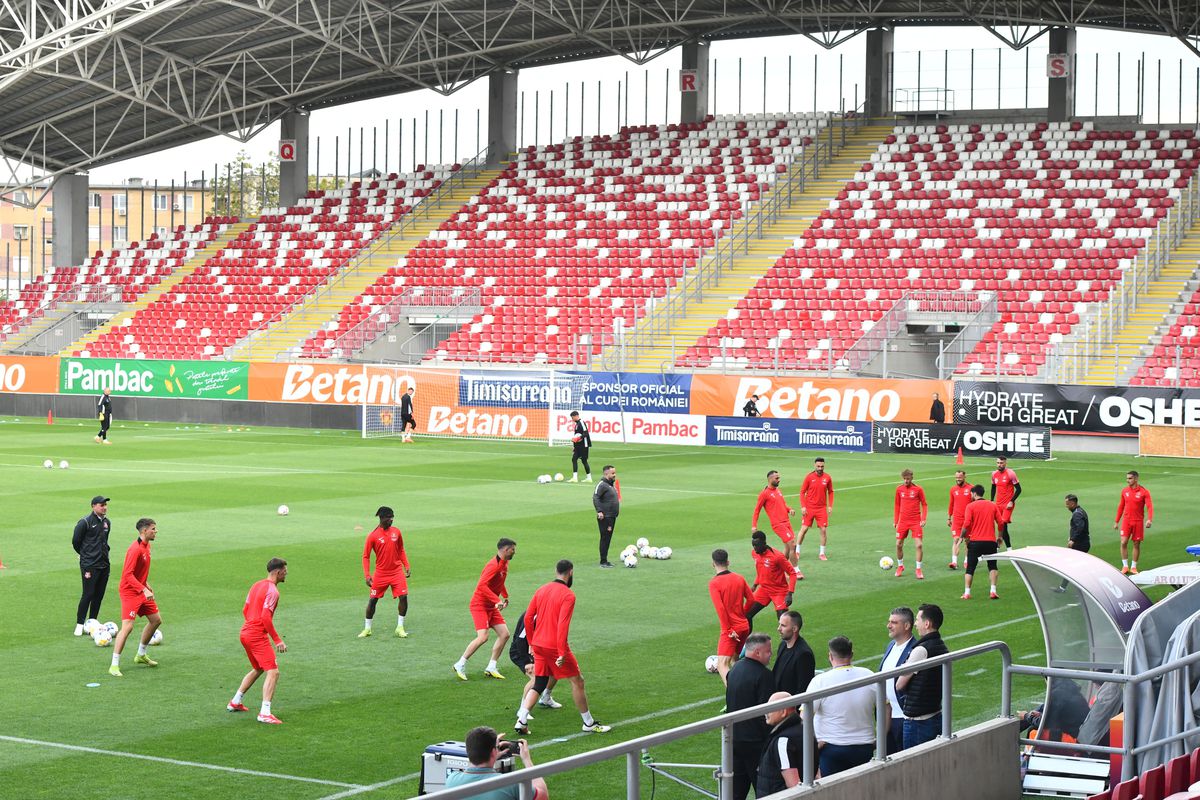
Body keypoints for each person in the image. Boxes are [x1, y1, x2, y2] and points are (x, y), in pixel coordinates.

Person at [514, 560, 610, 735]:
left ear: (556, 571)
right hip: (553, 646)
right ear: (570, 572)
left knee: (540, 682)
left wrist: (532, 643)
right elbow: (562, 625)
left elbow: (528, 618)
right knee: (578, 681)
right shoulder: (568, 595)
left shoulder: (541, 589)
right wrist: (561, 652)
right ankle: (588, 723)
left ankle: (522, 720)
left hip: (539, 645)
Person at [807, 636, 886, 776]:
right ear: (852, 654)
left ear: (830, 656)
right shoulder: (869, 675)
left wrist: (813, 745)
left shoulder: (820, 681)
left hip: (831, 748)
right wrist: (880, 738)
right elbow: (887, 708)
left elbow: (805, 716)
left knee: (833, 787)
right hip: (863, 746)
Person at [228, 558, 288, 724]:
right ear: (278, 572)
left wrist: (251, 625)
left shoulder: (256, 585)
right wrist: (277, 640)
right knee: (273, 672)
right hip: (256, 635)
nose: (286, 574)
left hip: (245, 632)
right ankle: (265, 713)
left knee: (259, 668)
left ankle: (235, 701)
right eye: (285, 571)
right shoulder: (273, 591)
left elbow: (245, 609)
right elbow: (265, 617)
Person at [454, 538, 516, 680]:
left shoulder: (504, 563)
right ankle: (460, 664)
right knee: (483, 637)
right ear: (506, 550)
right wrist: (497, 600)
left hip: (490, 606)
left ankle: (491, 667)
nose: (514, 552)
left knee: (504, 634)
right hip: (479, 605)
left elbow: (499, 581)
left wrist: (505, 596)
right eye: (513, 549)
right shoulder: (493, 565)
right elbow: (482, 585)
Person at [109, 518, 163, 677]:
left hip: (141, 589)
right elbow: (128, 575)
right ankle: (114, 665)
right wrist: (143, 589)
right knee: (128, 627)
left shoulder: (147, 546)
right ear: (144, 531)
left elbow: (140, 571)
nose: (156, 531)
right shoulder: (135, 549)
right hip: (130, 592)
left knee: (156, 620)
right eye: (153, 529)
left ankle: (141, 654)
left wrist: (146, 584)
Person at [725, 633, 776, 800]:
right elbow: (766, 713)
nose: (771, 654)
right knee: (764, 790)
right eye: (768, 651)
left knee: (735, 792)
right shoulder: (764, 675)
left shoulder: (735, 669)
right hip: (756, 743)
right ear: (757, 652)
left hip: (734, 739)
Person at [444, 726, 549, 800]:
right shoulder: (510, 783)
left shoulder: (451, 780)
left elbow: (475, 772)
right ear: (493, 752)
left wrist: (493, 755)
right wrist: (527, 760)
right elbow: (543, 796)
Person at [896, 604, 947, 749]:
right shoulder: (942, 646)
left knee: (913, 761)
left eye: (918, 620)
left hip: (918, 722)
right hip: (935, 715)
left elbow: (899, 685)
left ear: (927, 624)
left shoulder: (921, 650)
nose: (915, 624)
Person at [357, 506, 411, 638]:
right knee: (373, 600)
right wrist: (367, 575)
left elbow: (401, 550)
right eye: (389, 517)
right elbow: (366, 556)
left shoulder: (396, 532)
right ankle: (367, 628)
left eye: (392, 517)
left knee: (403, 597)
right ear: (381, 518)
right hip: (381, 574)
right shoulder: (373, 536)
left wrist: (406, 565)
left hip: (397, 572)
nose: (391, 520)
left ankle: (400, 627)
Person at [708, 548, 754, 685]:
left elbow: (721, 609)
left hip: (731, 630)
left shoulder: (714, 583)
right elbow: (751, 599)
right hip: (744, 627)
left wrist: (728, 630)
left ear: (713, 564)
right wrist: (742, 614)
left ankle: (734, 694)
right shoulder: (739, 578)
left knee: (722, 664)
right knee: (735, 660)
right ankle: (745, 688)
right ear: (728, 562)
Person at [73, 495, 113, 636]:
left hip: (104, 564)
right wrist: (85, 555)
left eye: (105, 505)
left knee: (99, 594)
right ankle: (79, 624)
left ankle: (92, 622)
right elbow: (76, 541)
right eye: (101, 505)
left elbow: (104, 542)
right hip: (89, 565)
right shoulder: (85, 522)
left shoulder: (107, 522)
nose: (104, 507)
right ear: (93, 506)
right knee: (88, 593)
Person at [878, 607, 916, 756]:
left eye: (894, 622)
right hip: (888, 717)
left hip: (904, 718)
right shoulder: (891, 646)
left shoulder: (915, 650)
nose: (889, 625)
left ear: (906, 626)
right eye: (889, 622)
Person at [509, 611, 563, 714]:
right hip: (521, 651)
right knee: (536, 678)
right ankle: (522, 710)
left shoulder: (549, 612)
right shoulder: (532, 615)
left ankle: (546, 698)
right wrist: (527, 661)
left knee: (555, 668)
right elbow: (520, 639)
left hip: (539, 648)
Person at [751, 470, 800, 579]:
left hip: (787, 522)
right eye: (776, 478)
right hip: (778, 524)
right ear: (770, 479)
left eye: (779, 478)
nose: (779, 480)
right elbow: (757, 510)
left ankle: (779, 570)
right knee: (792, 545)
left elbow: (782, 504)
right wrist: (754, 526)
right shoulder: (764, 494)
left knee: (788, 548)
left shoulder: (778, 491)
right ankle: (796, 570)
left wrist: (789, 509)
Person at [756, 691, 805, 796]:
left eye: (770, 708)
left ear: (783, 712)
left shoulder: (783, 740)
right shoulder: (804, 730)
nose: (766, 712)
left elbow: (794, 786)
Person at [961, 485, 1003, 600]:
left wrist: (961, 536)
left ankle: (967, 593)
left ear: (974, 494)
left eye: (971, 494)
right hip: (990, 542)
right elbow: (1001, 522)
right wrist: (1000, 537)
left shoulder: (970, 506)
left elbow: (967, 523)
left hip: (975, 542)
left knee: (970, 568)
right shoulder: (992, 505)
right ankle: (993, 591)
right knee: (992, 566)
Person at [745, 531, 795, 628]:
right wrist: (755, 585)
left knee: (783, 622)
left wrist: (790, 593)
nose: (755, 548)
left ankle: (790, 638)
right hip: (764, 590)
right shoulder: (755, 554)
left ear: (764, 543)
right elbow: (761, 570)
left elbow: (792, 573)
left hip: (779, 592)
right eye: (753, 545)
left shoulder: (777, 557)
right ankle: (746, 638)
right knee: (747, 615)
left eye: (757, 545)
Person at [1115, 471, 1153, 575]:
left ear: (1136, 479)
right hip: (1126, 521)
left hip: (1138, 521)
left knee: (1136, 544)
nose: (1127, 480)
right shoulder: (1124, 491)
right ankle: (1125, 566)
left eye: (1130, 478)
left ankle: (1133, 567)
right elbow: (1121, 506)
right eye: (1127, 478)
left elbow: (1149, 506)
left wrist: (1149, 519)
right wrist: (1116, 521)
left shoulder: (1144, 492)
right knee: (1123, 542)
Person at [798, 457, 834, 562]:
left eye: (822, 466)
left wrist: (830, 505)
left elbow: (831, 492)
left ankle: (822, 553)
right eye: (818, 466)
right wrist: (803, 506)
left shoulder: (827, 477)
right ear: (814, 466)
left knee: (823, 530)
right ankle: (797, 551)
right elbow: (802, 492)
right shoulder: (809, 477)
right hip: (809, 508)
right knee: (804, 529)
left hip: (821, 509)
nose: (820, 468)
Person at [893, 470, 928, 579]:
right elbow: (897, 505)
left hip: (915, 521)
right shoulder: (899, 489)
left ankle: (918, 569)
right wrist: (896, 521)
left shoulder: (918, 489)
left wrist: (923, 519)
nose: (906, 481)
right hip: (903, 521)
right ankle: (900, 566)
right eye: (904, 479)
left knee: (919, 545)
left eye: (908, 479)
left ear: (912, 478)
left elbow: (924, 504)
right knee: (898, 544)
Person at [773, 610, 815, 700]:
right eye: (779, 624)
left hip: (790, 705)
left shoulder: (804, 654)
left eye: (783, 625)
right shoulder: (783, 645)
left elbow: (803, 689)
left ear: (794, 629)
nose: (778, 628)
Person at [1057, 494, 1091, 592]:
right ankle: (1067, 587)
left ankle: (1064, 588)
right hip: (1083, 543)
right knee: (1076, 566)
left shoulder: (1077, 514)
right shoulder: (1080, 511)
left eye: (1067, 504)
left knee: (1070, 566)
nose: (1066, 506)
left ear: (1072, 503)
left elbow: (1080, 528)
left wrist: (1073, 539)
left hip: (1080, 544)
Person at [990, 456, 1022, 550]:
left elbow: (1019, 489)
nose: (999, 465)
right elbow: (993, 487)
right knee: (1001, 526)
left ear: (1005, 463)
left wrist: (1011, 501)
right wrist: (992, 500)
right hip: (998, 504)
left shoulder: (1010, 473)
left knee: (1003, 523)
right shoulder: (994, 474)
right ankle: (1003, 546)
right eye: (998, 463)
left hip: (1008, 505)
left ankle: (1008, 548)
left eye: (1001, 463)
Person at [592, 465, 620, 568]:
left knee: (607, 539)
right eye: (612, 473)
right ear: (606, 474)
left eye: (615, 473)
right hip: (605, 517)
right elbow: (595, 497)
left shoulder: (610, 485)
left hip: (611, 516)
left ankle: (605, 560)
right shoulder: (602, 485)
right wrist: (599, 511)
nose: (614, 475)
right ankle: (603, 562)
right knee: (605, 538)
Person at [947, 470, 972, 569]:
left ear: (965, 477)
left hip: (968, 519)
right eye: (956, 477)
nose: (958, 479)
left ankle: (967, 560)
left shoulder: (971, 488)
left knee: (967, 541)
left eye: (960, 477)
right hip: (957, 520)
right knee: (956, 539)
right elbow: (951, 504)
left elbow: (975, 504)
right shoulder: (953, 489)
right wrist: (949, 517)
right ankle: (954, 562)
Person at [566, 411, 592, 483]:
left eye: (572, 417)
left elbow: (586, 433)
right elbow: (576, 436)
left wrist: (578, 438)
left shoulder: (582, 423)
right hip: (578, 446)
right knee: (574, 459)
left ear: (576, 416)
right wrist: (574, 446)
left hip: (584, 445)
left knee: (584, 461)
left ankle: (589, 478)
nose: (572, 419)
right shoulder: (577, 424)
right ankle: (575, 478)